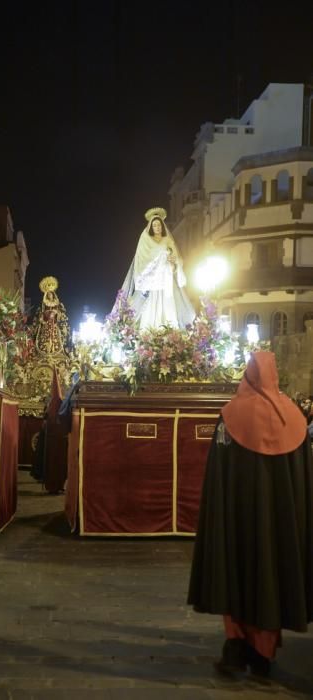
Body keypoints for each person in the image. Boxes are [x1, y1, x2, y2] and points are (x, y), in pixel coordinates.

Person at [188, 351, 313, 678]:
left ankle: (235, 647)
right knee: (274, 573)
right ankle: (264, 653)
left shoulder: (231, 415)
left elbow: (219, 470)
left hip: (239, 518)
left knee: (236, 571)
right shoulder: (295, 417)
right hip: (281, 524)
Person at [117, 207, 195, 329]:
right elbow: (142, 260)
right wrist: (156, 258)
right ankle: (149, 334)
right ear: (151, 227)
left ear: (162, 226)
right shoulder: (146, 241)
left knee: (167, 307)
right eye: (155, 225)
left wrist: (174, 263)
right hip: (152, 282)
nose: (157, 227)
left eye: (159, 225)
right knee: (151, 309)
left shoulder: (167, 240)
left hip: (166, 279)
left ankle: (168, 333)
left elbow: (177, 259)